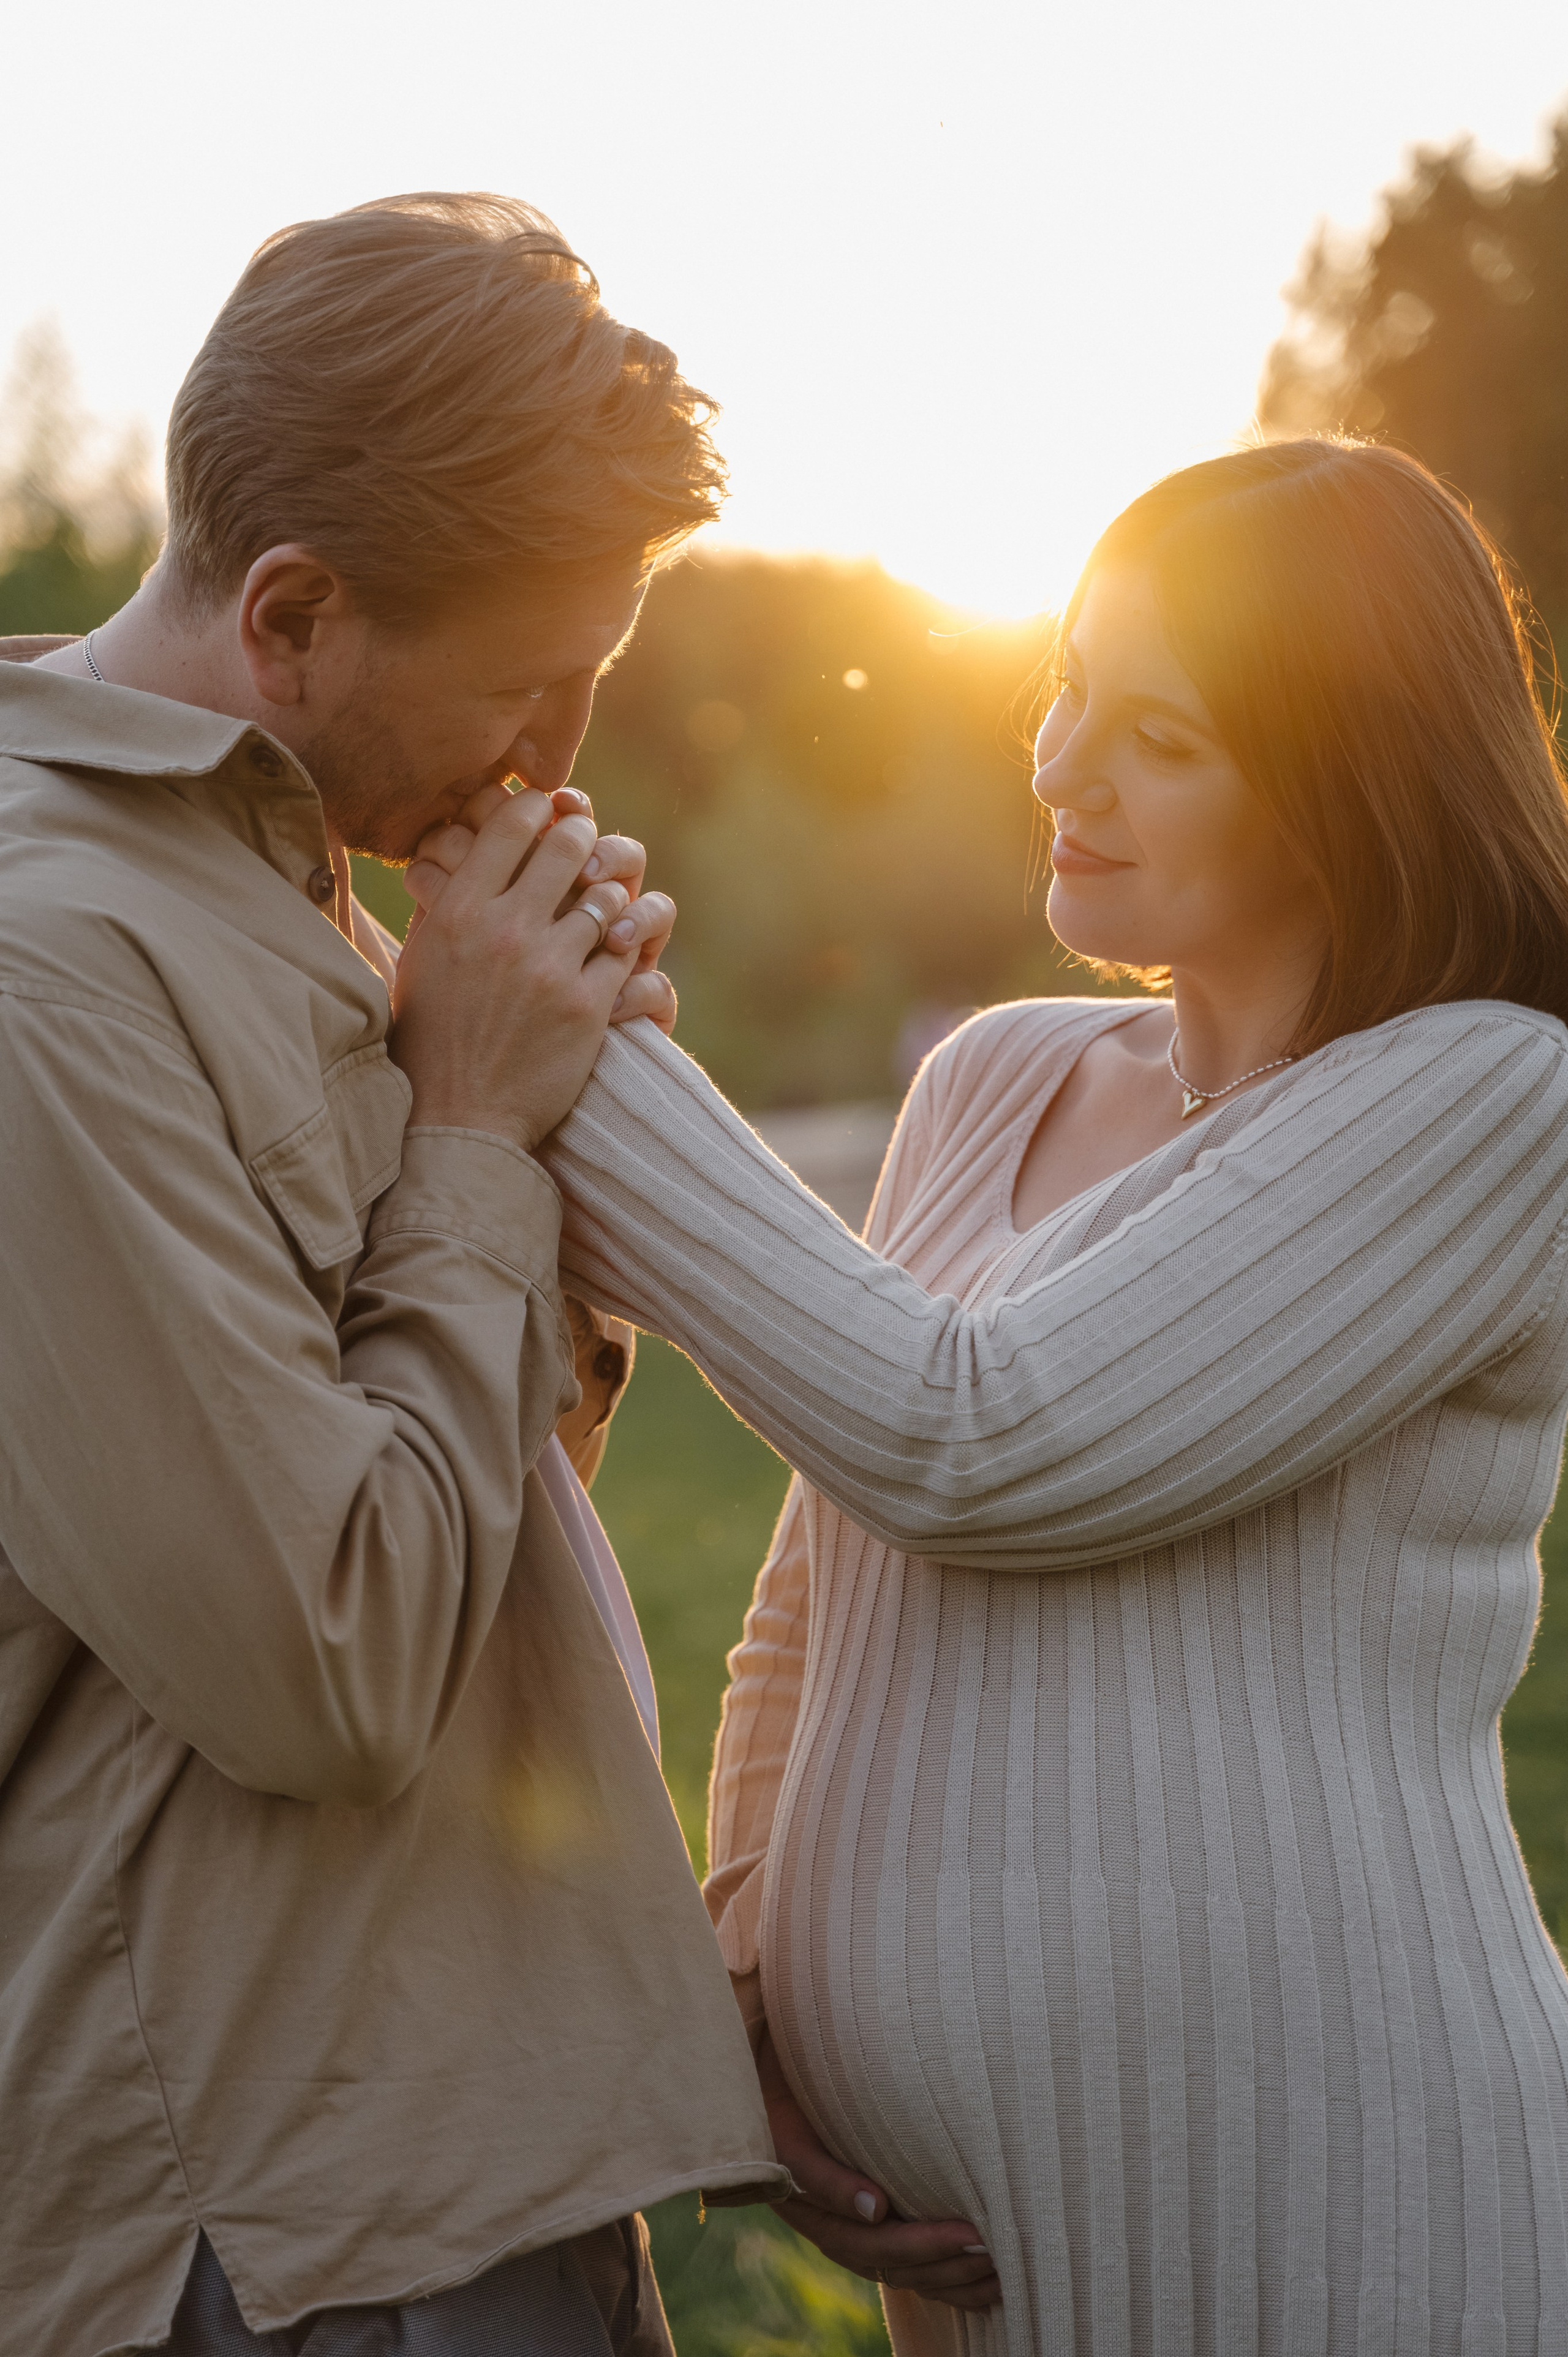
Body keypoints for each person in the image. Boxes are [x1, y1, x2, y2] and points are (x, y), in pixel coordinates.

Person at [414, 438, 1568, 2353]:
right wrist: (755, 1972)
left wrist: (563, 1038)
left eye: (1160, 737)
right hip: (972, 2257)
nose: (1055, 770)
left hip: (1338, 2201)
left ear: (1343, 777)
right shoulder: (997, 1075)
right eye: (1064, 689)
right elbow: (815, 1584)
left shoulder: (1489, 1100)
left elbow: (970, 1437)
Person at [0, 192, 790, 2357]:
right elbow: (328, 1660)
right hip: (273, 2232)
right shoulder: (45, 966)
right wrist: (466, 1119)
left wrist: (562, 1096)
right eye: (527, 684)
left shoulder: (291, 884)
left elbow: (479, 1527)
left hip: (461, 2140)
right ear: (294, 616)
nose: (555, 758)